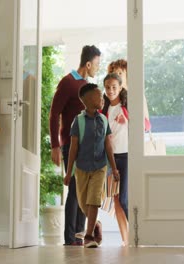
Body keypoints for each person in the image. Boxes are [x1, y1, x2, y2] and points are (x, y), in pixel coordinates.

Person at [49, 45, 101, 246]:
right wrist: (55, 145)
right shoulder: (68, 83)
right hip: (70, 145)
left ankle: (80, 235)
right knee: (74, 191)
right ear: (87, 64)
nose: (97, 68)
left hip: (87, 147)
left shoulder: (87, 87)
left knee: (84, 191)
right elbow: (54, 114)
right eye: (96, 64)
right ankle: (70, 239)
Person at [64, 83, 119, 248]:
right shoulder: (78, 121)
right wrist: (68, 173)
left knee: (94, 199)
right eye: (99, 96)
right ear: (87, 100)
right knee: (83, 203)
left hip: (99, 166)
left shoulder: (103, 119)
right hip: (81, 167)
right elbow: (73, 148)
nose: (102, 99)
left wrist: (114, 168)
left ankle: (89, 236)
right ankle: (96, 224)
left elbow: (108, 145)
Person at [101, 73, 129, 246]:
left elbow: (146, 125)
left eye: (114, 87)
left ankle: (140, 234)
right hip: (109, 158)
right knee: (116, 199)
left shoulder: (126, 106)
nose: (110, 90)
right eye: (107, 87)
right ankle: (126, 240)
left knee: (125, 199)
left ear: (120, 88)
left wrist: (127, 119)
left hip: (126, 156)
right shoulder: (103, 109)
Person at [107, 59, 151, 131]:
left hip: (132, 139)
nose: (117, 76)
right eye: (114, 74)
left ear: (127, 75)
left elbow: (147, 125)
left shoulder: (137, 95)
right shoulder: (110, 97)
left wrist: (127, 119)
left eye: (120, 73)